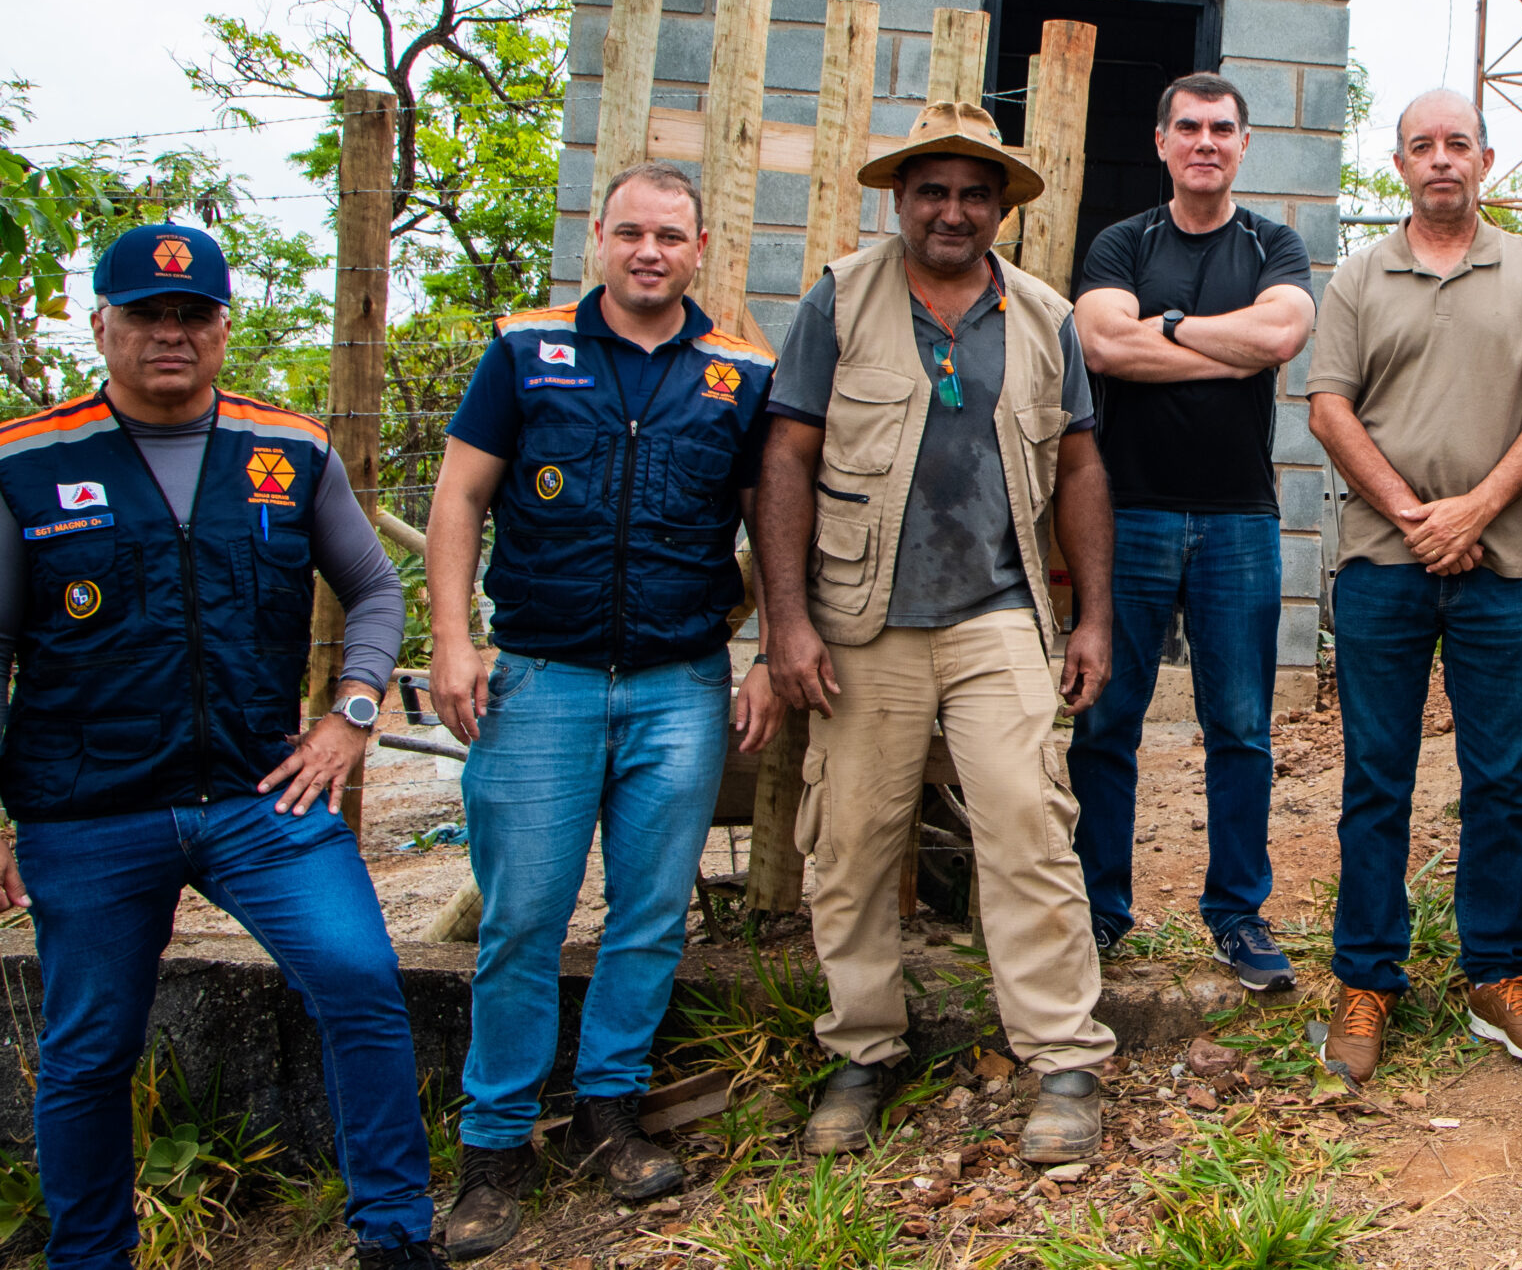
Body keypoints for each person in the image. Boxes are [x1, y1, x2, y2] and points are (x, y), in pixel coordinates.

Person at [0, 224, 438, 1270]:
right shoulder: (26, 462)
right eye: (146, 314)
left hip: (262, 800)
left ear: (222, 328)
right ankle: (90, 1254)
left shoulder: (287, 453)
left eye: (193, 315)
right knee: (87, 1051)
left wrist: (354, 713)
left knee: (359, 978)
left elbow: (375, 588)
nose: (170, 334)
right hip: (89, 808)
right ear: (100, 322)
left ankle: (394, 1236)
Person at [423, 161, 778, 1258]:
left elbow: (771, 521)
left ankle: (610, 1117)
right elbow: (459, 497)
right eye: (630, 232)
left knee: (648, 915)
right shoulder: (526, 350)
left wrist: (765, 651)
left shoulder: (740, 371)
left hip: (681, 685)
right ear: (600, 239)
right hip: (542, 682)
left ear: (701, 248)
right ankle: (494, 1148)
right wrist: (448, 639)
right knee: (523, 918)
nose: (649, 252)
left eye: (670, 235)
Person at [759, 101, 1119, 1164]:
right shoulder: (841, 300)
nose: (952, 210)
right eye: (932, 190)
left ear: (1001, 206)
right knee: (852, 846)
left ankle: (1062, 1060)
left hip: (999, 611)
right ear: (900, 199)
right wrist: (785, 620)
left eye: (973, 192)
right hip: (861, 618)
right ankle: (863, 1049)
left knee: (1029, 828)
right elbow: (784, 458)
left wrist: (1092, 614)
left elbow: (1083, 469)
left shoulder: (1047, 317)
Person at [1305, 88, 1522, 1082]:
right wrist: (1417, 517)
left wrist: (1474, 510)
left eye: (1456, 144)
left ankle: (1497, 978)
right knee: (1375, 777)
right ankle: (1367, 979)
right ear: (1399, 164)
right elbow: (1329, 408)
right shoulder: (1357, 277)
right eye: (1421, 145)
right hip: (1386, 565)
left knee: (1500, 778)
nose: (1440, 160)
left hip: (1502, 567)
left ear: (1487, 159)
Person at [1068, 73, 1316, 991]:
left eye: (1222, 128)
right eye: (1189, 127)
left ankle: (1237, 913)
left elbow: (1283, 337)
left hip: (1239, 518)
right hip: (1125, 510)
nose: (1206, 141)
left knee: (1241, 727)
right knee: (1105, 721)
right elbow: (1101, 345)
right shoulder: (1123, 241)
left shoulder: (1273, 243)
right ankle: (1099, 905)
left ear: (1244, 144)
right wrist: (1221, 339)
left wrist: (1163, 326)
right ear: (1163, 141)